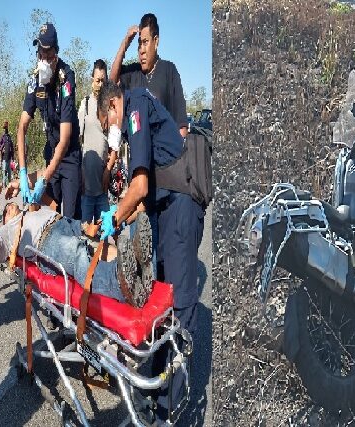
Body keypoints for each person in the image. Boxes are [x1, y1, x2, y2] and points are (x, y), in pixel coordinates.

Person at [97, 81, 205, 422]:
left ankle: (170, 410)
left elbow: (140, 186)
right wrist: (120, 220)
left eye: (105, 123)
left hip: (181, 208)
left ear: (113, 105)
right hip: (164, 211)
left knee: (180, 303)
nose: (109, 131)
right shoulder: (132, 121)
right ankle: (155, 387)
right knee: (160, 300)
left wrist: (111, 221)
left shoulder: (134, 108)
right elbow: (139, 196)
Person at [0, 182, 152, 305]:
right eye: (5, 211)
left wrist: (23, 182)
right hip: (47, 240)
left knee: (101, 245)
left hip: (65, 223)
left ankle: (136, 267)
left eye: (10, 205)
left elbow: (53, 203)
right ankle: (119, 284)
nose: (9, 207)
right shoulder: (7, 230)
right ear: (4, 220)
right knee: (77, 252)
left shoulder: (29, 210)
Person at [16, 22, 82, 219]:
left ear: (56, 53)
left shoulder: (66, 79)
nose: (43, 59)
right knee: (49, 216)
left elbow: (65, 139)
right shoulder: (35, 81)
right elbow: (22, 128)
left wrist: (44, 177)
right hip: (51, 153)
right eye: (40, 54)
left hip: (69, 156)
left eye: (47, 53)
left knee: (69, 220)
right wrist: (22, 171)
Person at [110, 13, 189, 138]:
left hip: (163, 153)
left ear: (156, 41)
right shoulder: (133, 72)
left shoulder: (169, 70)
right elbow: (112, 82)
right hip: (138, 154)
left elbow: (182, 126)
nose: (141, 50)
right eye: (139, 44)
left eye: (145, 42)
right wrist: (126, 42)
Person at [79, 59, 117, 223]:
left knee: (104, 235)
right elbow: (75, 142)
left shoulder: (111, 107)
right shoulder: (85, 104)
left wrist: (108, 170)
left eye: (103, 80)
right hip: (86, 188)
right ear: (91, 80)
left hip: (102, 188)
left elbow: (115, 146)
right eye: (97, 80)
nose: (100, 84)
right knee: (86, 237)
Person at [0, 121, 14, 187]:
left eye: (6, 129)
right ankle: (4, 185)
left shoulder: (9, 137)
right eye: (5, 129)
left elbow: (12, 147)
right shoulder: (2, 137)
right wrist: (2, 148)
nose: (6, 130)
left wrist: (13, 158)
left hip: (9, 157)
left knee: (9, 172)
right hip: (4, 158)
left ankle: (9, 184)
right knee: (4, 171)